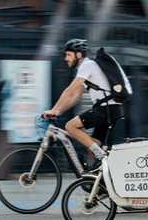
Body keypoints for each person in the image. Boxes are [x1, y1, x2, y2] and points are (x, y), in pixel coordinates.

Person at [42, 39, 123, 167]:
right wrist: (58, 111)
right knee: (93, 144)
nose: (65, 58)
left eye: (68, 55)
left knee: (70, 126)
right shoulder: (87, 68)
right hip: (109, 109)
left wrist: (53, 110)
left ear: (79, 55)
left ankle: (103, 157)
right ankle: (98, 180)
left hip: (106, 109)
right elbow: (75, 96)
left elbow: (69, 91)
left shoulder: (87, 65)